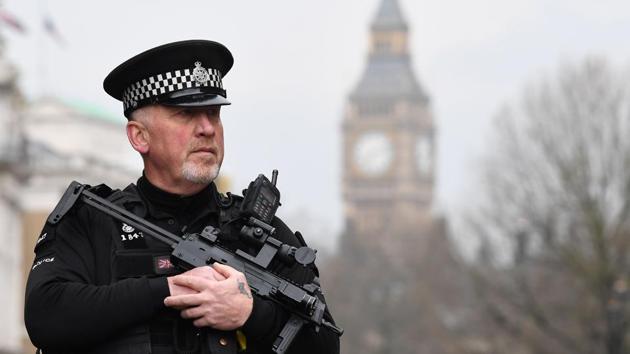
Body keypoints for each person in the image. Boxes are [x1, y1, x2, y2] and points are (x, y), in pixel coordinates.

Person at [24, 39, 340, 354]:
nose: (207, 128)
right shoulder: (92, 220)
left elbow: (326, 343)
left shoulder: (262, 237)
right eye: (186, 114)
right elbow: (46, 316)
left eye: (214, 113)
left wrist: (251, 314)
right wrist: (168, 288)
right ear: (139, 136)